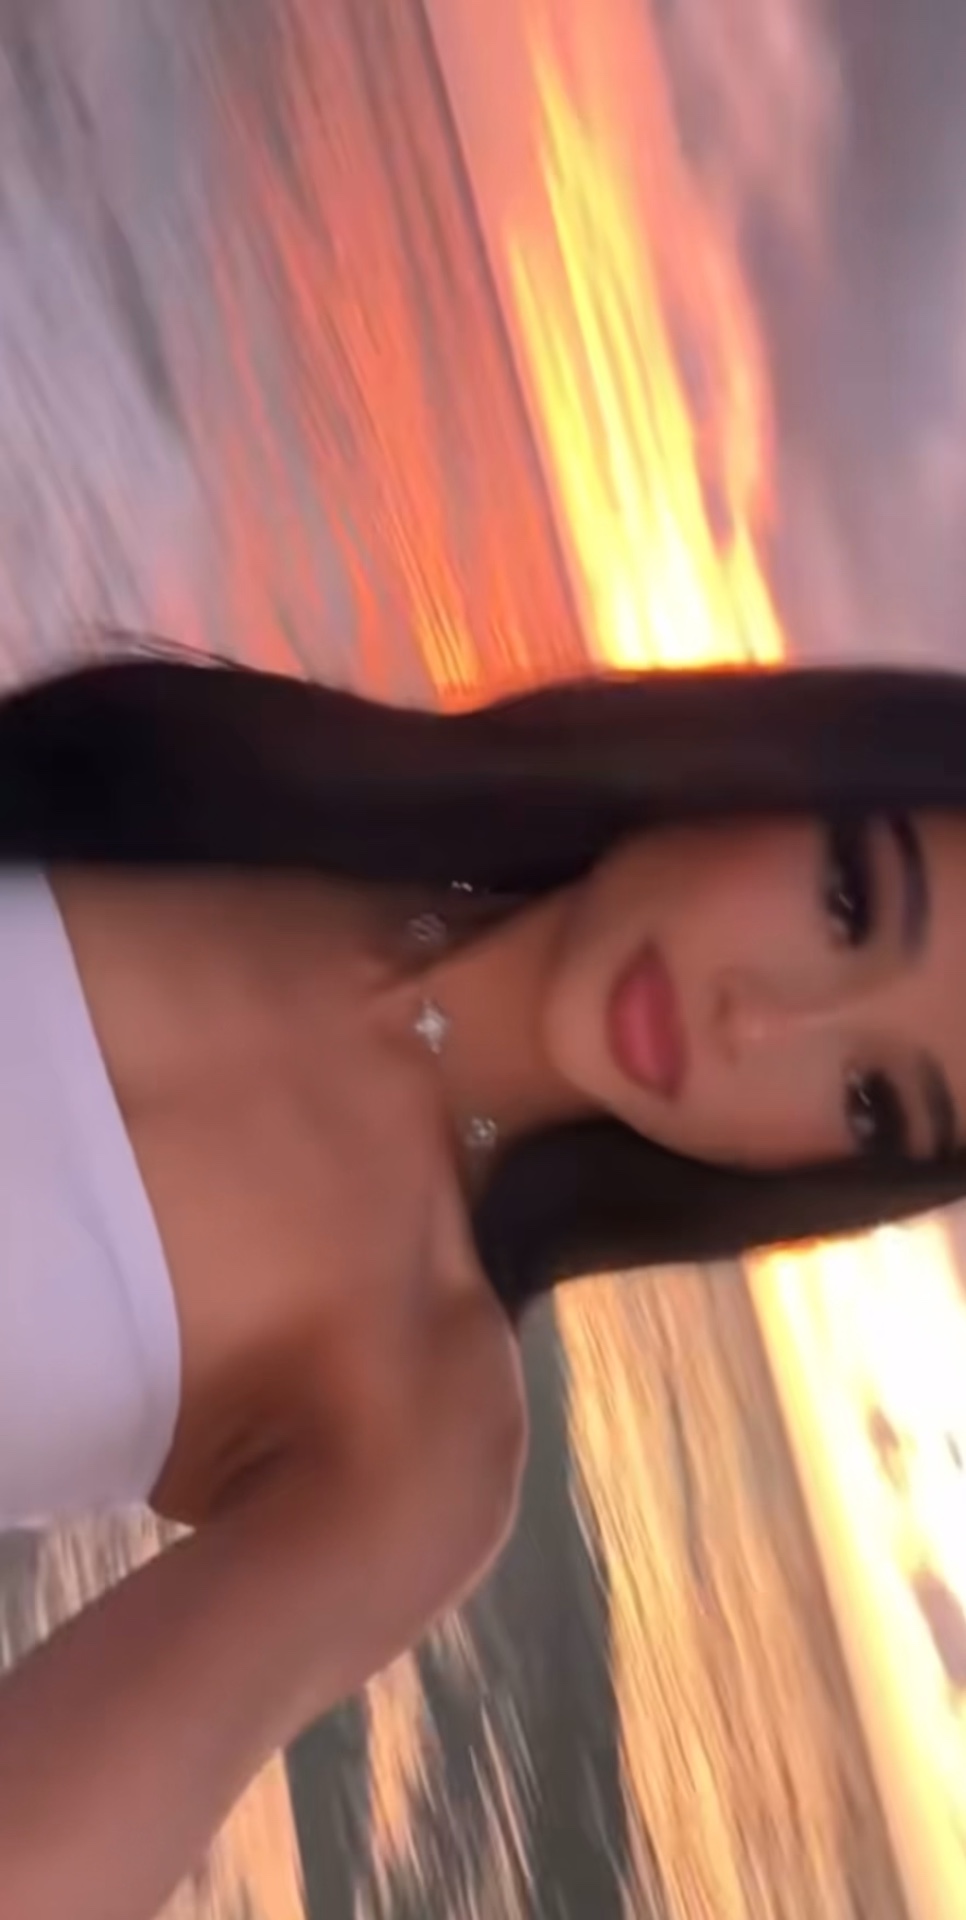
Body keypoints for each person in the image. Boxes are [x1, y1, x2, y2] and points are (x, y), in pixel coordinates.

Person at [2, 647, 966, 1920]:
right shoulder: (225, 778)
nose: (760, 1025)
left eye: (868, 1096)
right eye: (848, 902)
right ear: (787, 769)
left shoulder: (420, 1415)